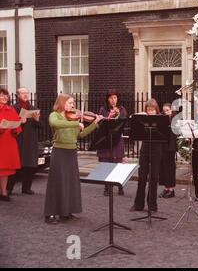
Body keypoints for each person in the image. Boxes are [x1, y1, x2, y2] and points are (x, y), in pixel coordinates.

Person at [44, 94, 101, 224]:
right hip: (59, 152)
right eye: (70, 103)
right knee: (57, 183)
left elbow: (80, 134)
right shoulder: (55, 115)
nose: (73, 105)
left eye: (73, 103)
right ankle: (50, 213)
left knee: (70, 183)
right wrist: (76, 123)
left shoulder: (72, 118)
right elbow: (55, 124)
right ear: (62, 103)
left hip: (71, 152)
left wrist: (94, 124)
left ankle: (66, 212)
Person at [130, 99, 164, 213]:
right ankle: (138, 204)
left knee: (154, 178)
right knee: (142, 177)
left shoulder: (161, 120)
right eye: (148, 110)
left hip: (157, 149)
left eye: (152, 110)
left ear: (156, 110)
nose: (150, 112)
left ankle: (152, 205)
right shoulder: (143, 119)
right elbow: (133, 119)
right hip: (145, 148)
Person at [7, 87, 40, 196]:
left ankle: (26, 188)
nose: (25, 95)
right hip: (18, 139)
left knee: (29, 166)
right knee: (15, 165)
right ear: (17, 95)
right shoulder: (12, 108)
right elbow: (9, 125)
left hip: (30, 141)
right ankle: (9, 188)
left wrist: (36, 120)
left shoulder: (33, 108)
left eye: (27, 93)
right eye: (23, 93)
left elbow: (41, 126)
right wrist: (21, 122)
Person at [97, 89, 127, 196]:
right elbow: (100, 123)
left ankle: (119, 186)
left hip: (117, 140)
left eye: (115, 97)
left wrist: (118, 115)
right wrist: (110, 115)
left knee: (118, 164)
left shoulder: (122, 109)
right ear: (107, 99)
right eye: (110, 98)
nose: (113, 100)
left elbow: (123, 122)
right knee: (106, 164)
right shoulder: (103, 109)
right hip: (106, 140)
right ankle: (107, 187)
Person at [0, 88, 22, 202]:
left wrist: (15, 130)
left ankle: (3, 192)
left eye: (6, 96)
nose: (5, 98)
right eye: (2, 95)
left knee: (5, 170)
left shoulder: (11, 110)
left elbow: (18, 126)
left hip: (8, 142)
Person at [159, 103, 177, 198]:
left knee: (170, 167)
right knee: (163, 167)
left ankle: (171, 189)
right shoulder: (162, 119)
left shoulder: (174, 120)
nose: (165, 112)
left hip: (171, 147)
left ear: (171, 110)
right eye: (164, 110)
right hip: (163, 146)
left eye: (167, 110)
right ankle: (166, 188)